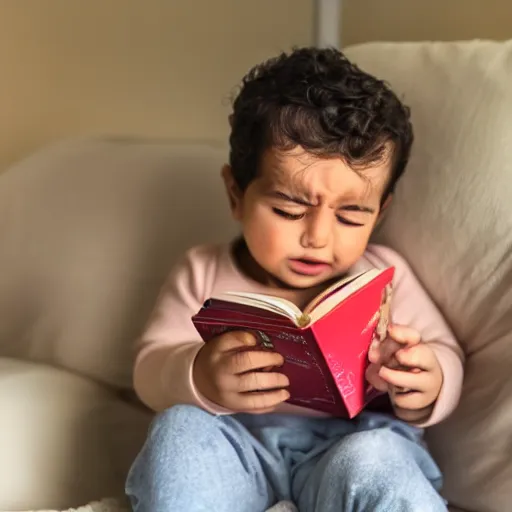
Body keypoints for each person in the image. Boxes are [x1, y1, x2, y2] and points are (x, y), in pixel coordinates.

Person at [125, 47, 464, 512]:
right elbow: (150, 367)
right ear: (235, 194)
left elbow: (444, 354)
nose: (318, 238)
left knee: (380, 458)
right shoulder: (201, 270)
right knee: (179, 431)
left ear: (379, 213)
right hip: (241, 449)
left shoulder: (386, 278)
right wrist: (199, 376)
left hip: (351, 449)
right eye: (288, 210)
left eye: (350, 216)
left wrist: (427, 381)